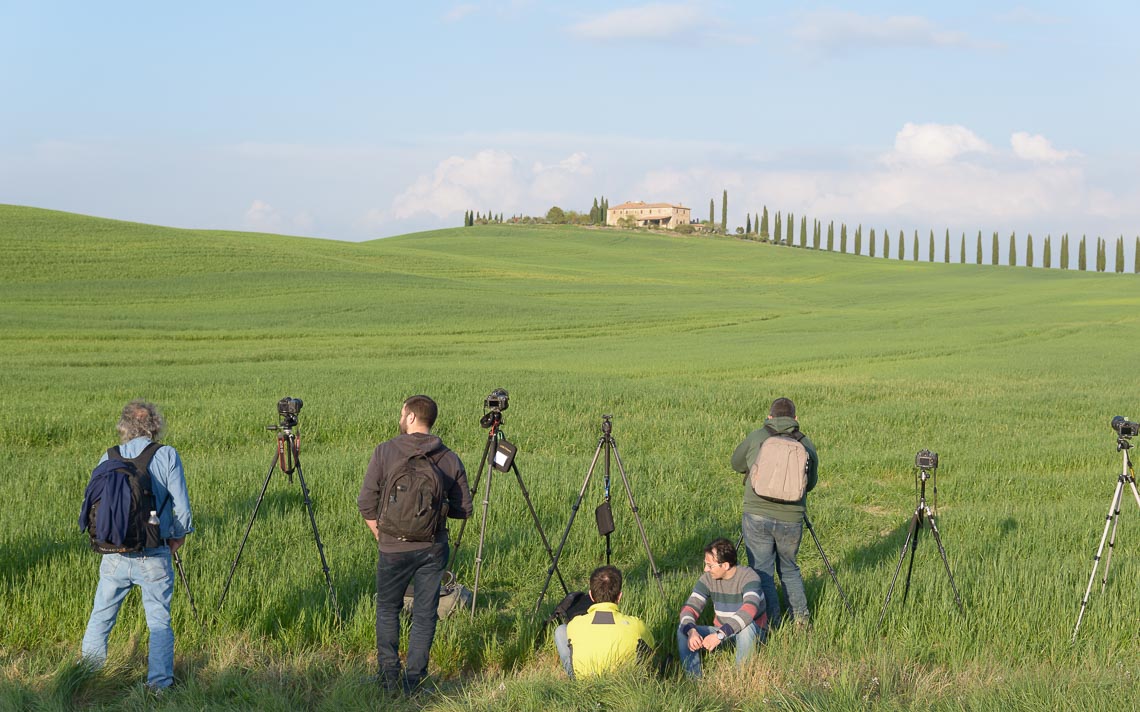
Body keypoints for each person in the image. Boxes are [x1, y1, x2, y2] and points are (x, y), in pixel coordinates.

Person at [358, 395, 471, 693]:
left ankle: (387, 677)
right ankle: (414, 681)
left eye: (401, 412)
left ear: (409, 417)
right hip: (432, 548)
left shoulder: (385, 451)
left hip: (392, 547)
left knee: (387, 608)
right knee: (424, 613)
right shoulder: (448, 457)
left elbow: (365, 503)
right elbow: (464, 510)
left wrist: (382, 535)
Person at [80, 400, 194, 691]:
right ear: (154, 425)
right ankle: (158, 687)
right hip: (154, 552)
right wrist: (178, 537)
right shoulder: (166, 454)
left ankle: (86, 679)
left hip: (114, 553)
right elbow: (182, 507)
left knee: (101, 616)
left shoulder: (108, 457)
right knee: (158, 621)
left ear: (124, 426)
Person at [732, 397, 818, 630]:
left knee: (762, 570)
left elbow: (736, 463)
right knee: (789, 568)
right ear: (795, 419)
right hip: (792, 518)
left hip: (756, 513)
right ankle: (801, 620)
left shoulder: (757, 436)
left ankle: (771, 622)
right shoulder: (806, 443)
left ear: (770, 417)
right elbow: (810, 483)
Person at [676, 538, 766, 678]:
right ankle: (694, 681)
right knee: (683, 629)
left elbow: (749, 610)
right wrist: (692, 631)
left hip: (751, 633)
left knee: (746, 628)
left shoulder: (749, 577)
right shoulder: (707, 579)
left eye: (710, 565)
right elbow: (690, 608)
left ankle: (740, 679)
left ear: (725, 565)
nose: (705, 569)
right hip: (722, 633)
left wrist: (720, 635)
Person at [553, 565, 655, 679]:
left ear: (591, 596)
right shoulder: (636, 625)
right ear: (619, 596)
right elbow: (652, 648)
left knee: (561, 630)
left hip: (585, 682)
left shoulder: (575, 624)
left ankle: (574, 679)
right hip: (625, 682)